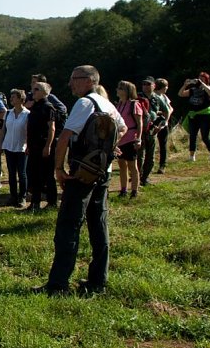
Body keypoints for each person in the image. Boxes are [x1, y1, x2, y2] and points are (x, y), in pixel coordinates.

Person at [34, 65, 126, 296]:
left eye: (74, 79)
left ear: (89, 80)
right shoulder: (106, 103)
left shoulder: (85, 103)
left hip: (81, 174)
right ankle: (98, 282)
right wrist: (106, 151)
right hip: (102, 172)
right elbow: (123, 129)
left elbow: (65, 136)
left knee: (68, 226)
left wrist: (58, 168)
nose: (70, 83)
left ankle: (58, 285)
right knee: (99, 225)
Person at [26, 82, 57, 211]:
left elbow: (52, 128)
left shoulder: (48, 107)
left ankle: (52, 202)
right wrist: (28, 145)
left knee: (47, 175)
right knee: (33, 174)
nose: (33, 92)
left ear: (44, 92)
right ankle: (35, 203)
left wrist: (48, 146)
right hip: (33, 145)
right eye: (33, 89)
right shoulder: (34, 106)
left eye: (36, 89)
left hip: (43, 145)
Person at [179, 72, 210, 162]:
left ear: (206, 80)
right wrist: (185, 85)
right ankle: (192, 157)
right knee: (192, 136)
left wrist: (202, 84)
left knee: (205, 137)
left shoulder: (207, 88)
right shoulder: (192, 90)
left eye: (202, 79)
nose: (199, 80)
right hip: (193, 115)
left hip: (205, 115)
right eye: (198, 79)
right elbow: (181, 94)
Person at [137, 77, 169, 186]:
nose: (145, 86)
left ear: (154, 86)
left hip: (152, 129)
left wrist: (162, 125)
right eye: (144, 84)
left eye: (148, 84)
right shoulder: (137, 97)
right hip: (140, 129)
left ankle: (145, 177)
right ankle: (138, 176)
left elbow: (166, 111)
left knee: (150, 156)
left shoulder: (157, 98)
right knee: (140, 155)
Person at [2, 89, 30, 208]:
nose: (11, 99)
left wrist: (28, 145)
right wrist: (0, 144)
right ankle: (13, 196)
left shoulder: (27, 114)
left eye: (13, 97)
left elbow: (29, 132)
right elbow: (3, 129)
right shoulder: (8, 113)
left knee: (22, 173)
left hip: (21, 147)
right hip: (9, 146)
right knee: (11, 173)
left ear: (20, 99)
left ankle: (22, 197)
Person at [115, 80, 143, 199]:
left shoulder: (134, 105)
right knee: (122, 165)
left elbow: (140, 123)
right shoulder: (118, 105)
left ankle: (134, 191)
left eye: (120, 88)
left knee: (132, 165)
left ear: (127, 91)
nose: (117, 90)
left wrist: (139, 139)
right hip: (120, 139)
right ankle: (123, 190)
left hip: (131, 138)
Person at [154, 78, 173, 174]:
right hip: (154, 122)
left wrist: (166, 115)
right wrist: (163, 112)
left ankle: (162, 165)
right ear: (161, 87)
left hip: (164, 122)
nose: (167, 88)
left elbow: (171, 108)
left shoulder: (164, 96)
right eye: (166, 86)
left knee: (163, 144)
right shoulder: (154, 96)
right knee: (151, 144)